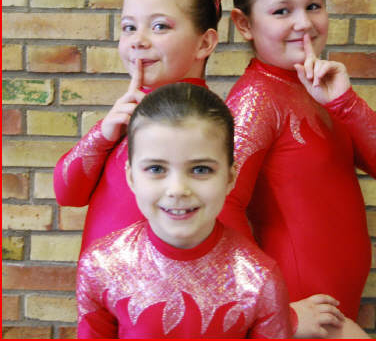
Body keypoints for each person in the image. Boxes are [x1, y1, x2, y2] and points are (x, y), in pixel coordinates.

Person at [219, 0, 376, 338]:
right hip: (300, 310)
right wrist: (276, 310)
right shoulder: (255, 100)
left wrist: (345, 102)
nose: (304, 23)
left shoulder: (322, 89)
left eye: (313, 6)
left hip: (335, 304)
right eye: (282, 11)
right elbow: (220, 209)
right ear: (244, 24)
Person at [76, 83, 294, 338]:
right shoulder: (101, 266)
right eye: (156, 169)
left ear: (230, 178)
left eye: (200, 169)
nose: (178, 189)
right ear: (131, 177)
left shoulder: (259, 279)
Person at [53, 0, 222, 255]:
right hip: (100, 278)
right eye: (129, 27)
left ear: (204, 43)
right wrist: (102, 135)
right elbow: (67, 193)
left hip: (154, 281)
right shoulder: (126, 114)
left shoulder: (204, 125)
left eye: (159, 27)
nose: (138, 40)